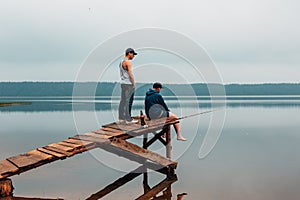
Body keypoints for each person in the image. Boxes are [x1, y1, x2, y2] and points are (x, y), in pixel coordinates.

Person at [118, 48, 138, 124]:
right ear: (129, 53)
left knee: (123, 101)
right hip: (128, 84)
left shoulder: (121, 62)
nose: (133, 56)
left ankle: (121, 118)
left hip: (123, 83)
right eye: (133, 54)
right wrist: (133, 83)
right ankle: (128, 119)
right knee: (129, 101)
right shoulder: (128, 62)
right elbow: (130, 74)